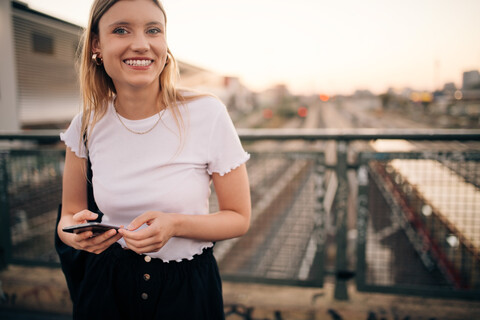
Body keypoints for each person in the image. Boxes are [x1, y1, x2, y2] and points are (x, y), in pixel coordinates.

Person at [56, 0, 251, 318]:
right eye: (121, 30)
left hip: (186, 290)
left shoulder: (207, 113)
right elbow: (70, 215)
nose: (141, 44)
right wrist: (71, 234)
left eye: (153, 30)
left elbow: (239, 218)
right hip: (106, 287)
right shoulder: (86, 124)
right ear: (97, 45)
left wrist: (175, 225)